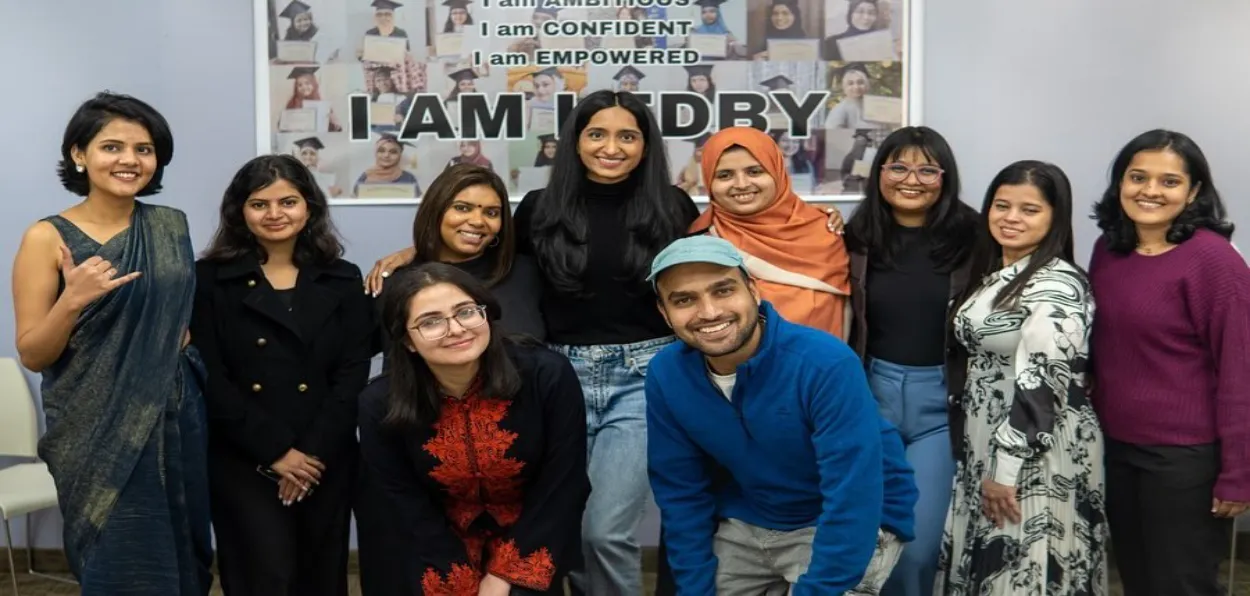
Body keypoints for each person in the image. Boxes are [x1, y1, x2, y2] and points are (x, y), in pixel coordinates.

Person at [366, 90, 700, 595]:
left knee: (603, 530)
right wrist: (417, 250)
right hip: (557, 376)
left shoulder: (672, 205)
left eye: (627, 136)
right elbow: (482, 248)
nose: (612, 147)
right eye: (597, 134)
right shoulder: (543, 207)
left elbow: (717, 261)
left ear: (646, 145)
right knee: (555, 514)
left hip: (642, 375)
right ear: (575, 142)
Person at [11, 91, 212, 593]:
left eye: (144, 149)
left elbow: (174, 316)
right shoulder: (46, 237)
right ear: (79, 153)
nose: (130, 160)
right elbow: (34, 353)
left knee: (183, 554)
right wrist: (72, 299)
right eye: (112, 146)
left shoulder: (170, 226)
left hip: (176, 415)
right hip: (96, 427)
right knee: (121, 560)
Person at [645, 235, 916, 595]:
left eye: (724, 290)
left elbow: (853, 493)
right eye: (684, 300)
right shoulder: (666, 374)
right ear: (664, 313)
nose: (708, 312)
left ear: (753, 291)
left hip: (848, 518)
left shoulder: (824, 363)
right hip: (752, 517)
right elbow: (681, 492)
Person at [191, 155, 374, 595]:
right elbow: (210, 374)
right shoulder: (210, 280)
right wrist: (276, 452)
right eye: (259, 204)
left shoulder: (341, 278)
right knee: (262, 575)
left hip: (323, 455)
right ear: (239, 211)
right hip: (243, 455)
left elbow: (352, 374)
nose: (275, 214)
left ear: (309, 207)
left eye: (288, 201)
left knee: (321, 573)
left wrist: (308, 455)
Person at [357, 263, 590, 595]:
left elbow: (562, 484)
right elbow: (401, 501)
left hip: (529, 538)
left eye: (466, 312)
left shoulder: (546, 375)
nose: (455, 329)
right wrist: (460, 579)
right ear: (407, 341)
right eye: (431, 321)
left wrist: (503, 576)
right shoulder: (379, 402)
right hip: (433, 546)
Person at [1088, 130, 1250, 596]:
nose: (1151, 191)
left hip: (1185, 459)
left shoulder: (1213, 261)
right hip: (1118, 447)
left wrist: (1238, 472)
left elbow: (1239, 372)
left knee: (1182, 584)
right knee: (1137, 580)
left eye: (1169, 181)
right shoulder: (1110, 249)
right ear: (1120, 182)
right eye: (1137, 177)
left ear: (1194, 191)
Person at [936, 160, 1107, 594]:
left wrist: (1005, 470)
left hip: (1035, 449)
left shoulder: (1057, 285)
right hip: (987, 440)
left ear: (1054, 218)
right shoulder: (997, 273)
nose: (1011, 217)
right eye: (1001, 205)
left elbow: (1041, 381)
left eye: (1029, 209)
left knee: (1022, 570)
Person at [842, 125, 979, 596]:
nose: (911, 179)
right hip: (871, 397)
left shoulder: (974, 237)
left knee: (916, 548)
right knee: (863, 537)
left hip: (939, 406)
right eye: (898, 166)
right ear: (879, 172)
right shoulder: (856, 237)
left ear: (945, 177)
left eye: (927, 169)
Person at [689, 125, 851, 339]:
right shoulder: (702, 242)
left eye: (754, 171)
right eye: (725, 175)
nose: (742, 184)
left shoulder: (824, 226)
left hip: (824, 365)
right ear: (709, 181)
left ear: (777, 171)